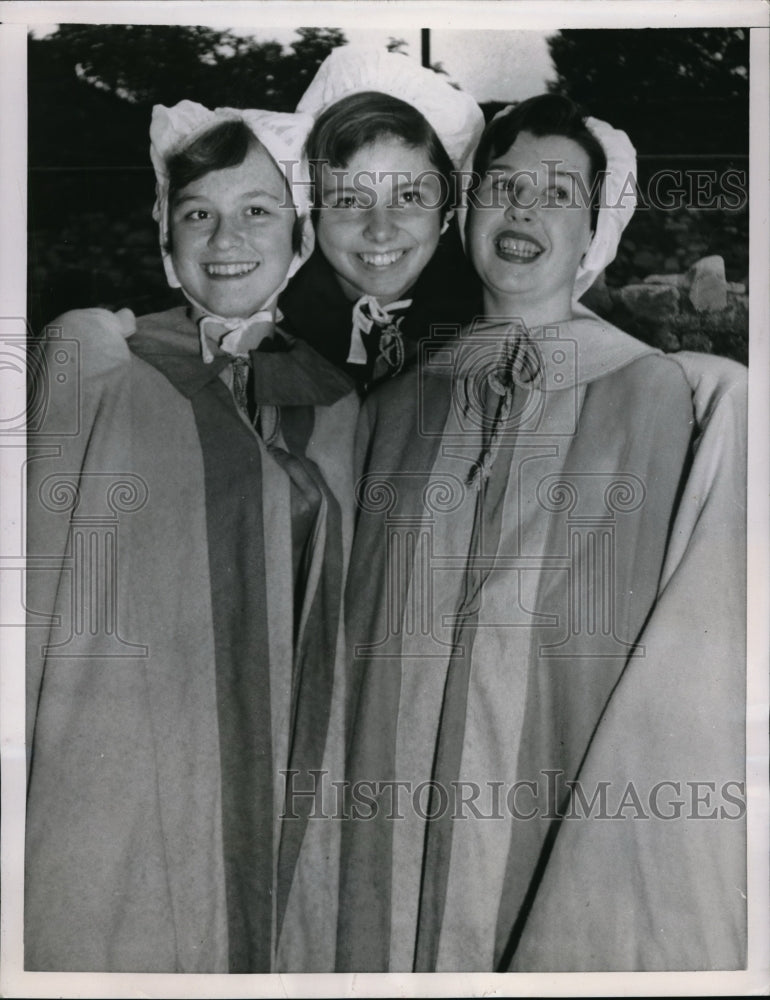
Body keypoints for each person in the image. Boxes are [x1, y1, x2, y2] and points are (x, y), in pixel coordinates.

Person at [338, 94, 746, 972]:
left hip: (558, 806)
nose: (524, 210)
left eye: (558, 194)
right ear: (469, 210)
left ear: (594, 231)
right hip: (393, 817)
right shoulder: (397, 403)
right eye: (505, 185)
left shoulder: (664, 399)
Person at [25, 100, 358, 972]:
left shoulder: (337, 396)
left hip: (274, 750)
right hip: (117, 749)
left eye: (258, 210)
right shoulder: (104, 363)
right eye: (197, 212)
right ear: (164, 235)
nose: (225, 237)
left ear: (303, 235)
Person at [279, 45, 485, 391]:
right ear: (310, 210)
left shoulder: (480, 334)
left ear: (447, 212)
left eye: (408, 197)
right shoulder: (269, 331)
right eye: (347, 201)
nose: (380, 230)